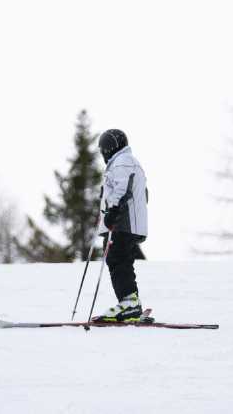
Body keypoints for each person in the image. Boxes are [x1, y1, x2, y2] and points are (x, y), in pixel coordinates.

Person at [92, 128, 148, 323]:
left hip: (122, 222)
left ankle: (129, 303)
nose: (102, 154)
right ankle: (130, 302)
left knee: (117, 259)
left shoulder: (122, 162)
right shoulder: (125, 162)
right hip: (125, 221)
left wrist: (113, 211)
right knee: (119, 259)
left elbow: (122, 188)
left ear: (109, 148)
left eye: (103, 150)